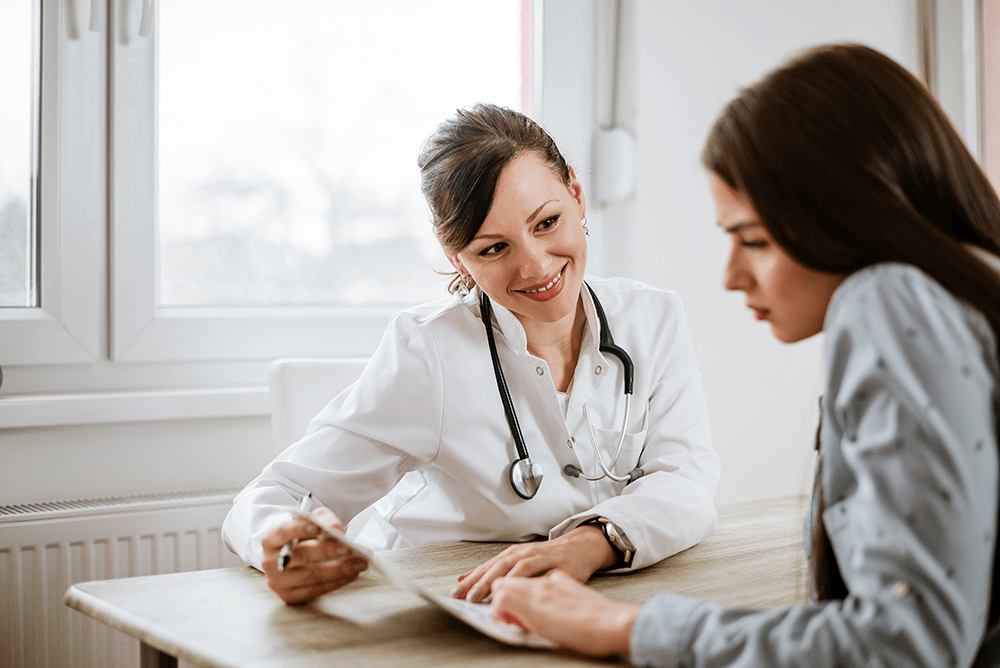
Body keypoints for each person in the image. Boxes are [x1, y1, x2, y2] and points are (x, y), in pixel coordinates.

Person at [489, 43, 1000, 667]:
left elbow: (907, 644)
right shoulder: (966, 290)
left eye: (753, 240)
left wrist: (632, 628)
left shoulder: (889, 300)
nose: (731, 276)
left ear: (854, 217)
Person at [222, 103, 721, 605]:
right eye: (493, 249)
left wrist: (591, 543)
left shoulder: (653, 320)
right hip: (445, 608)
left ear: (576, 193)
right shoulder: (428, 352)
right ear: (454, 254)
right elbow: (269, 497)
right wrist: (280, 545)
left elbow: (687, 480)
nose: (535, 265)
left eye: (547, 222)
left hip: (583, 604)